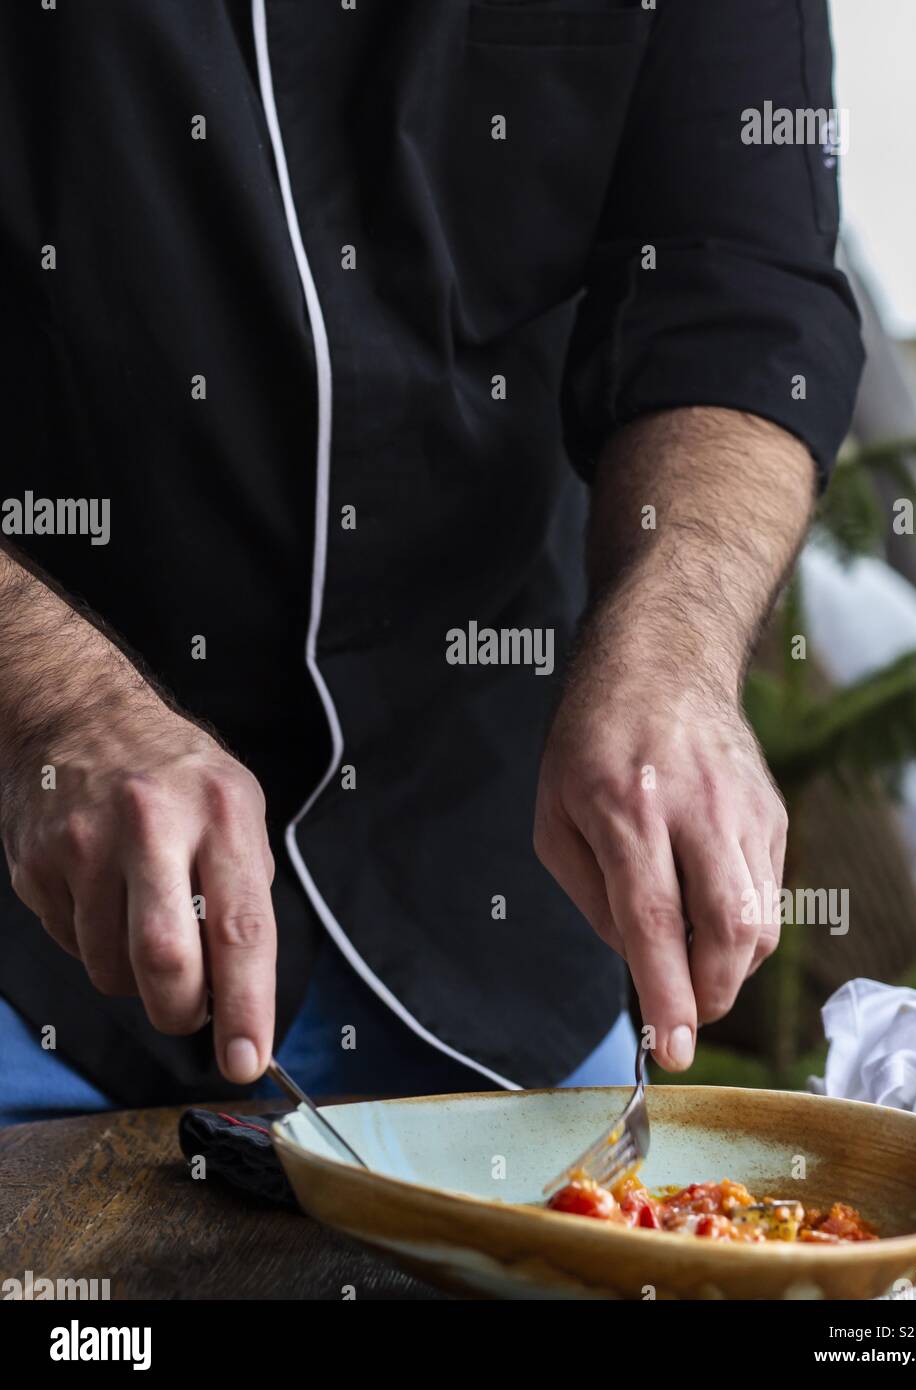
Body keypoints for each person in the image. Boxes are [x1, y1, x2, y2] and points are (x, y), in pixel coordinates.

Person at [0, 0, 864, 1123]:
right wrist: (50, 705)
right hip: (33, 955)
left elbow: (738, 284)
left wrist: (674, 650)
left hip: (504, 902)